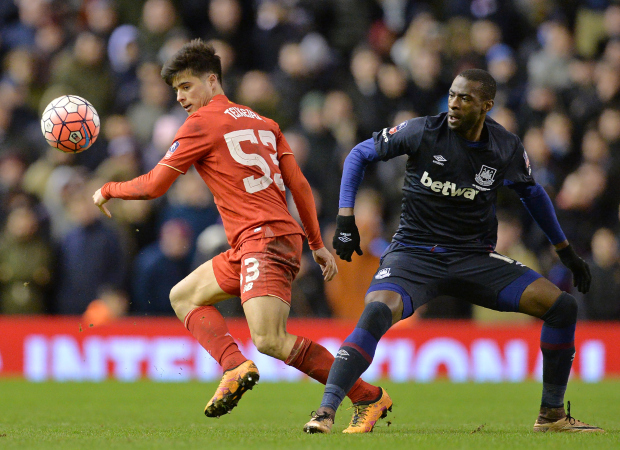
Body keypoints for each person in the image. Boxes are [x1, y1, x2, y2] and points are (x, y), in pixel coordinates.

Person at [93, 39, 385, 429]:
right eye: (175, 90)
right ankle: (233, 366)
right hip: (258, 241)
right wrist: (315, 243)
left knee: (270, 340)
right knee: (183, 296)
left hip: (263, 240)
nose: (180, 97)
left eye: (186, 86)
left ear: (212, 80)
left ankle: (369, 397)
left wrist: (109, 188)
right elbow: (298, 185)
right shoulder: (265, 123)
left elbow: (153, 186)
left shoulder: (201, 123)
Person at [303, 69, 604, 434]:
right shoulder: (423, 131)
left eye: (465, 98)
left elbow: (533, 194)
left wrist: (565, 251)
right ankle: (325, 411)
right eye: (451, 95)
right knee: (377, 310)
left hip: (474, 258)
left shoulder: (505, 146)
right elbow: (358, 155)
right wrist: (346, 218)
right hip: (414, 255)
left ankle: (552, 415)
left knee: (562, 307)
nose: (454, 104)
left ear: (486, 106)